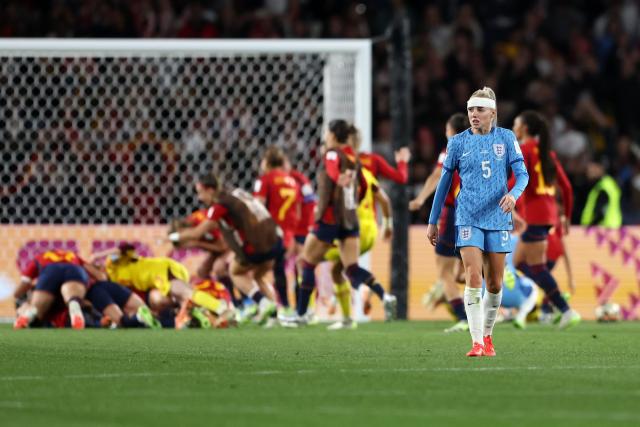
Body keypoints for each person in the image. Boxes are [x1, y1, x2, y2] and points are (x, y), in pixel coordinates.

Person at [427, 87, 529, 357]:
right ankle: (476, 343)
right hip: (467, 216)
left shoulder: (506, 138)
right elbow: (444, 182)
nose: (473, 114)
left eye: (479, 110)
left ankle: (488, 335)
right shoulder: (457, 142)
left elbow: (522, 175)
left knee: (494, 283)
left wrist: (513, 195)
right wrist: (432, 219)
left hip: (497, 217)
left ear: (492, 113)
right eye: (470, 109)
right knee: (473, 275)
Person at [296, 119, 395, 324]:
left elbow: (332, 169)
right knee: (350, 268)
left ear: (332, 135)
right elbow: (365, 186)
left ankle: (301, 314)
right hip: (350, 220)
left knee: (306, 262)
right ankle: (384, 295)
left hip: (330, 218)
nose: (325, 136)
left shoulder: (332, 153)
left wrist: (337, 178)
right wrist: (352, 204)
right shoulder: (353, 157)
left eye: (326, 132)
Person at [169, 172, 280, 325]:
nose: (199, 198)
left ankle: (260, 303)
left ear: (210, 190)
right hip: (275, 238)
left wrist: (175, 237)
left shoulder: (219, 206)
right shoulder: (236, 193)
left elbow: (199, 233)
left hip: (257, 244)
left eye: (200, 193)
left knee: (234, 271)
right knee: (258, 276)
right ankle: (274, 316)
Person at [512, 110, 581, 329]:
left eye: (516, 124)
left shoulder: (523, 150)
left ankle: (562, 308)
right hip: (548, 215)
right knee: (520, 263)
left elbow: (517, 183)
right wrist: (567, 217)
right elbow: (567, 188)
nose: (514, 128)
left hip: (533, 215)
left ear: (523, 128)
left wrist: (515, 210)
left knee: (535, 267)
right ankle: (554, 304)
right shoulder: (547, 153)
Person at [410, 113, 469, 333]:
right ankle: (482, 307)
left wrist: (420, 198)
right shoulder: (478, 148)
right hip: (475, 214)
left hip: (453, 213)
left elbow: (437, 175)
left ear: (450, 130)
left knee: (444, 272)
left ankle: (464, 318)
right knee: (463, 271)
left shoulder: (450, 150)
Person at [103, 244, 231, 329]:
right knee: (184, 299)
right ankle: (211, 317)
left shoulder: (111, 266)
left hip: (161, 271)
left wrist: (98, 256)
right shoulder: (115, 284)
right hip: (160, 277)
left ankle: (221, 308)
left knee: (187, 294)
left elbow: (123, 250)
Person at [254, 146, 300, 313]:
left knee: (249, 269)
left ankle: (263, 305)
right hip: (288, 232)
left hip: (270, 232)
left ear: (267, 161)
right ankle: (286, 306)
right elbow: (296, 211)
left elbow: (257, 206)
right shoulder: (291, 181)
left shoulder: (265, 179)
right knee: (279, 268)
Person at [14, 249, 102, 329]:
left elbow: (24, 284)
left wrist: (19, 295)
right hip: (75, 269)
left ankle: (32, 313)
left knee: (37, 308)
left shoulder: (39, 258)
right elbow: (99, 276)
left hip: (49, 271)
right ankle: (74, 304)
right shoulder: (73, 256)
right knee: (74, 298)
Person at [580, 160, 623, 228]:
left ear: (600, 168)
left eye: (593, 168)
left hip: (604, 230)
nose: (589, 171)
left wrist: (590, 226)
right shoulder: (609, 184)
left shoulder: (603, 187)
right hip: (612, 227)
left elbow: (602, 212)